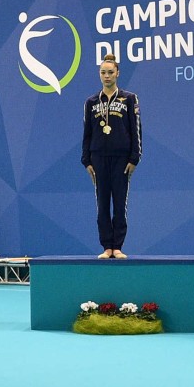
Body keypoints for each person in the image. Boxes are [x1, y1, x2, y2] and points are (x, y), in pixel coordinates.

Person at [82, 55, 141, 259]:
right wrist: (86, 160)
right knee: (102, 204)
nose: (106, 76)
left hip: (121, 159)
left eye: (110, 72)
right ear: (99, 75)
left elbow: (136, 129)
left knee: (120, 202)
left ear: (117, 73)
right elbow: (87, 133)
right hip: (98, 158)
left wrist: (134, 157)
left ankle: (118, 246)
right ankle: (107, 246)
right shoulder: (91, 102)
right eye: (103, 72)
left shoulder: (129, 99)